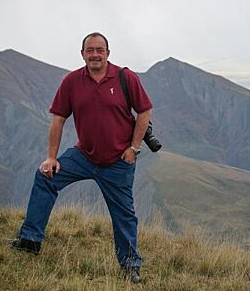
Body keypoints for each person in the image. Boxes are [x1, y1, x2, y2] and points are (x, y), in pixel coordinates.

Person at [11, 32, 152, 284]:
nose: (95, 54)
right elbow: (58, 119)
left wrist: (134, 148)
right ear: (83, 54)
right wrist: (51, 158)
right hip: (83, 155)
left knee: (124, 214)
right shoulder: (71, 81)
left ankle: (131, 264)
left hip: (118, 160)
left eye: (100, 50)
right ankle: (30, 240)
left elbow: (144, 110)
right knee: (45, 176)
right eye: (90, 50)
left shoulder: (125, 78)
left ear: (108, 53)